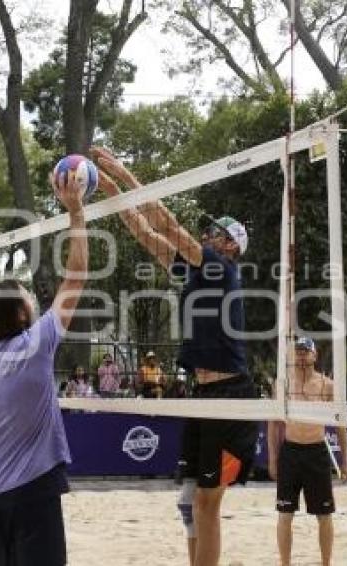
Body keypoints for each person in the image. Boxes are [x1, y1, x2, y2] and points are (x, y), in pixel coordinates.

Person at [92, 146, 257, 566]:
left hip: (230, 396)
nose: (207, 236)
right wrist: (110, 194)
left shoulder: (223, 269)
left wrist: (125, 176)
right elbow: (148, 234)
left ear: (230, 247)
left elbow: (169, 223)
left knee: (205, 504)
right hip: (201, 396)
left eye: (216, 233)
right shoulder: (199, 271)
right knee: (188, 504)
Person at [0, 171, 88, 566]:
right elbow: (76, 275)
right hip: (36, 494)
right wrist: (76, 212)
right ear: (23, 312)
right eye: (28, 295)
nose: (33, 299)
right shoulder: (38, 343)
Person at [268, 337, 347, 566]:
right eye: (299, 352)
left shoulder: (327, 385)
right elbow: (273, 423)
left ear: (315, 355)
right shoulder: (283, 384)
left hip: (316, 452)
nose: (302, 356)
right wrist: (273, 459)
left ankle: (326, 563)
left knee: (324, 516)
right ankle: (285, 563)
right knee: (285, 515)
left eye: (306, 351)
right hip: (291, 452)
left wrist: (346, 461)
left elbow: (340, 424)